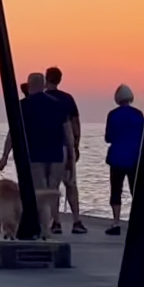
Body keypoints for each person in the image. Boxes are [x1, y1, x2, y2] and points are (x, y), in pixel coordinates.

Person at [0, 73, 75, 234]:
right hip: (56, 153)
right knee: (52, 189)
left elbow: (13, 133)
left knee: (40, 192)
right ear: (44, 85)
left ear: (29, 86)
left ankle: (44, 226)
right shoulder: (58, 105)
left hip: (34, 154)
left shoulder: (22, 106)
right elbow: (68, 133)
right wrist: (71, 157)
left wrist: (5, 155)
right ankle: (56, 222)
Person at [43, 66, 86, 233]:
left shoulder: (42, 98)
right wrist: (76, 146)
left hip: (47, 147)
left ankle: (56, 222)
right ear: (60, 79)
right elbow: (75, 124)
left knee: (52, 187)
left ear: (47, 79)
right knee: (71, 184)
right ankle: (76, 221)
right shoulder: (67, 99)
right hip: (65, 147)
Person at [102, 84, 143, 235]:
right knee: (136, 191)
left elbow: (108, 137)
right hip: (134, 158)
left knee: (116, 190)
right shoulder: (138, 114)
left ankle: (116, 222)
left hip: (117, 157)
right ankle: (138, 222)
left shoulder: (113, 115)